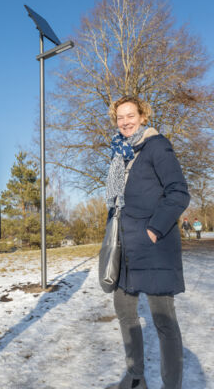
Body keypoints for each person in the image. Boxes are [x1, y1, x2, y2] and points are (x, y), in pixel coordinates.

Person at [105, 96, 190, 389]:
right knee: (124, 312)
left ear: (143, 115)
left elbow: (178, 192)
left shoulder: (157, 146)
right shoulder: (121, 153)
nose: (125, 122)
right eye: (120, 117)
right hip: (126, 249)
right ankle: (135, 376)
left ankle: (172, 385)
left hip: (154, 248)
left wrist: (154, 229)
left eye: (130, 115)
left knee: (164, 321)